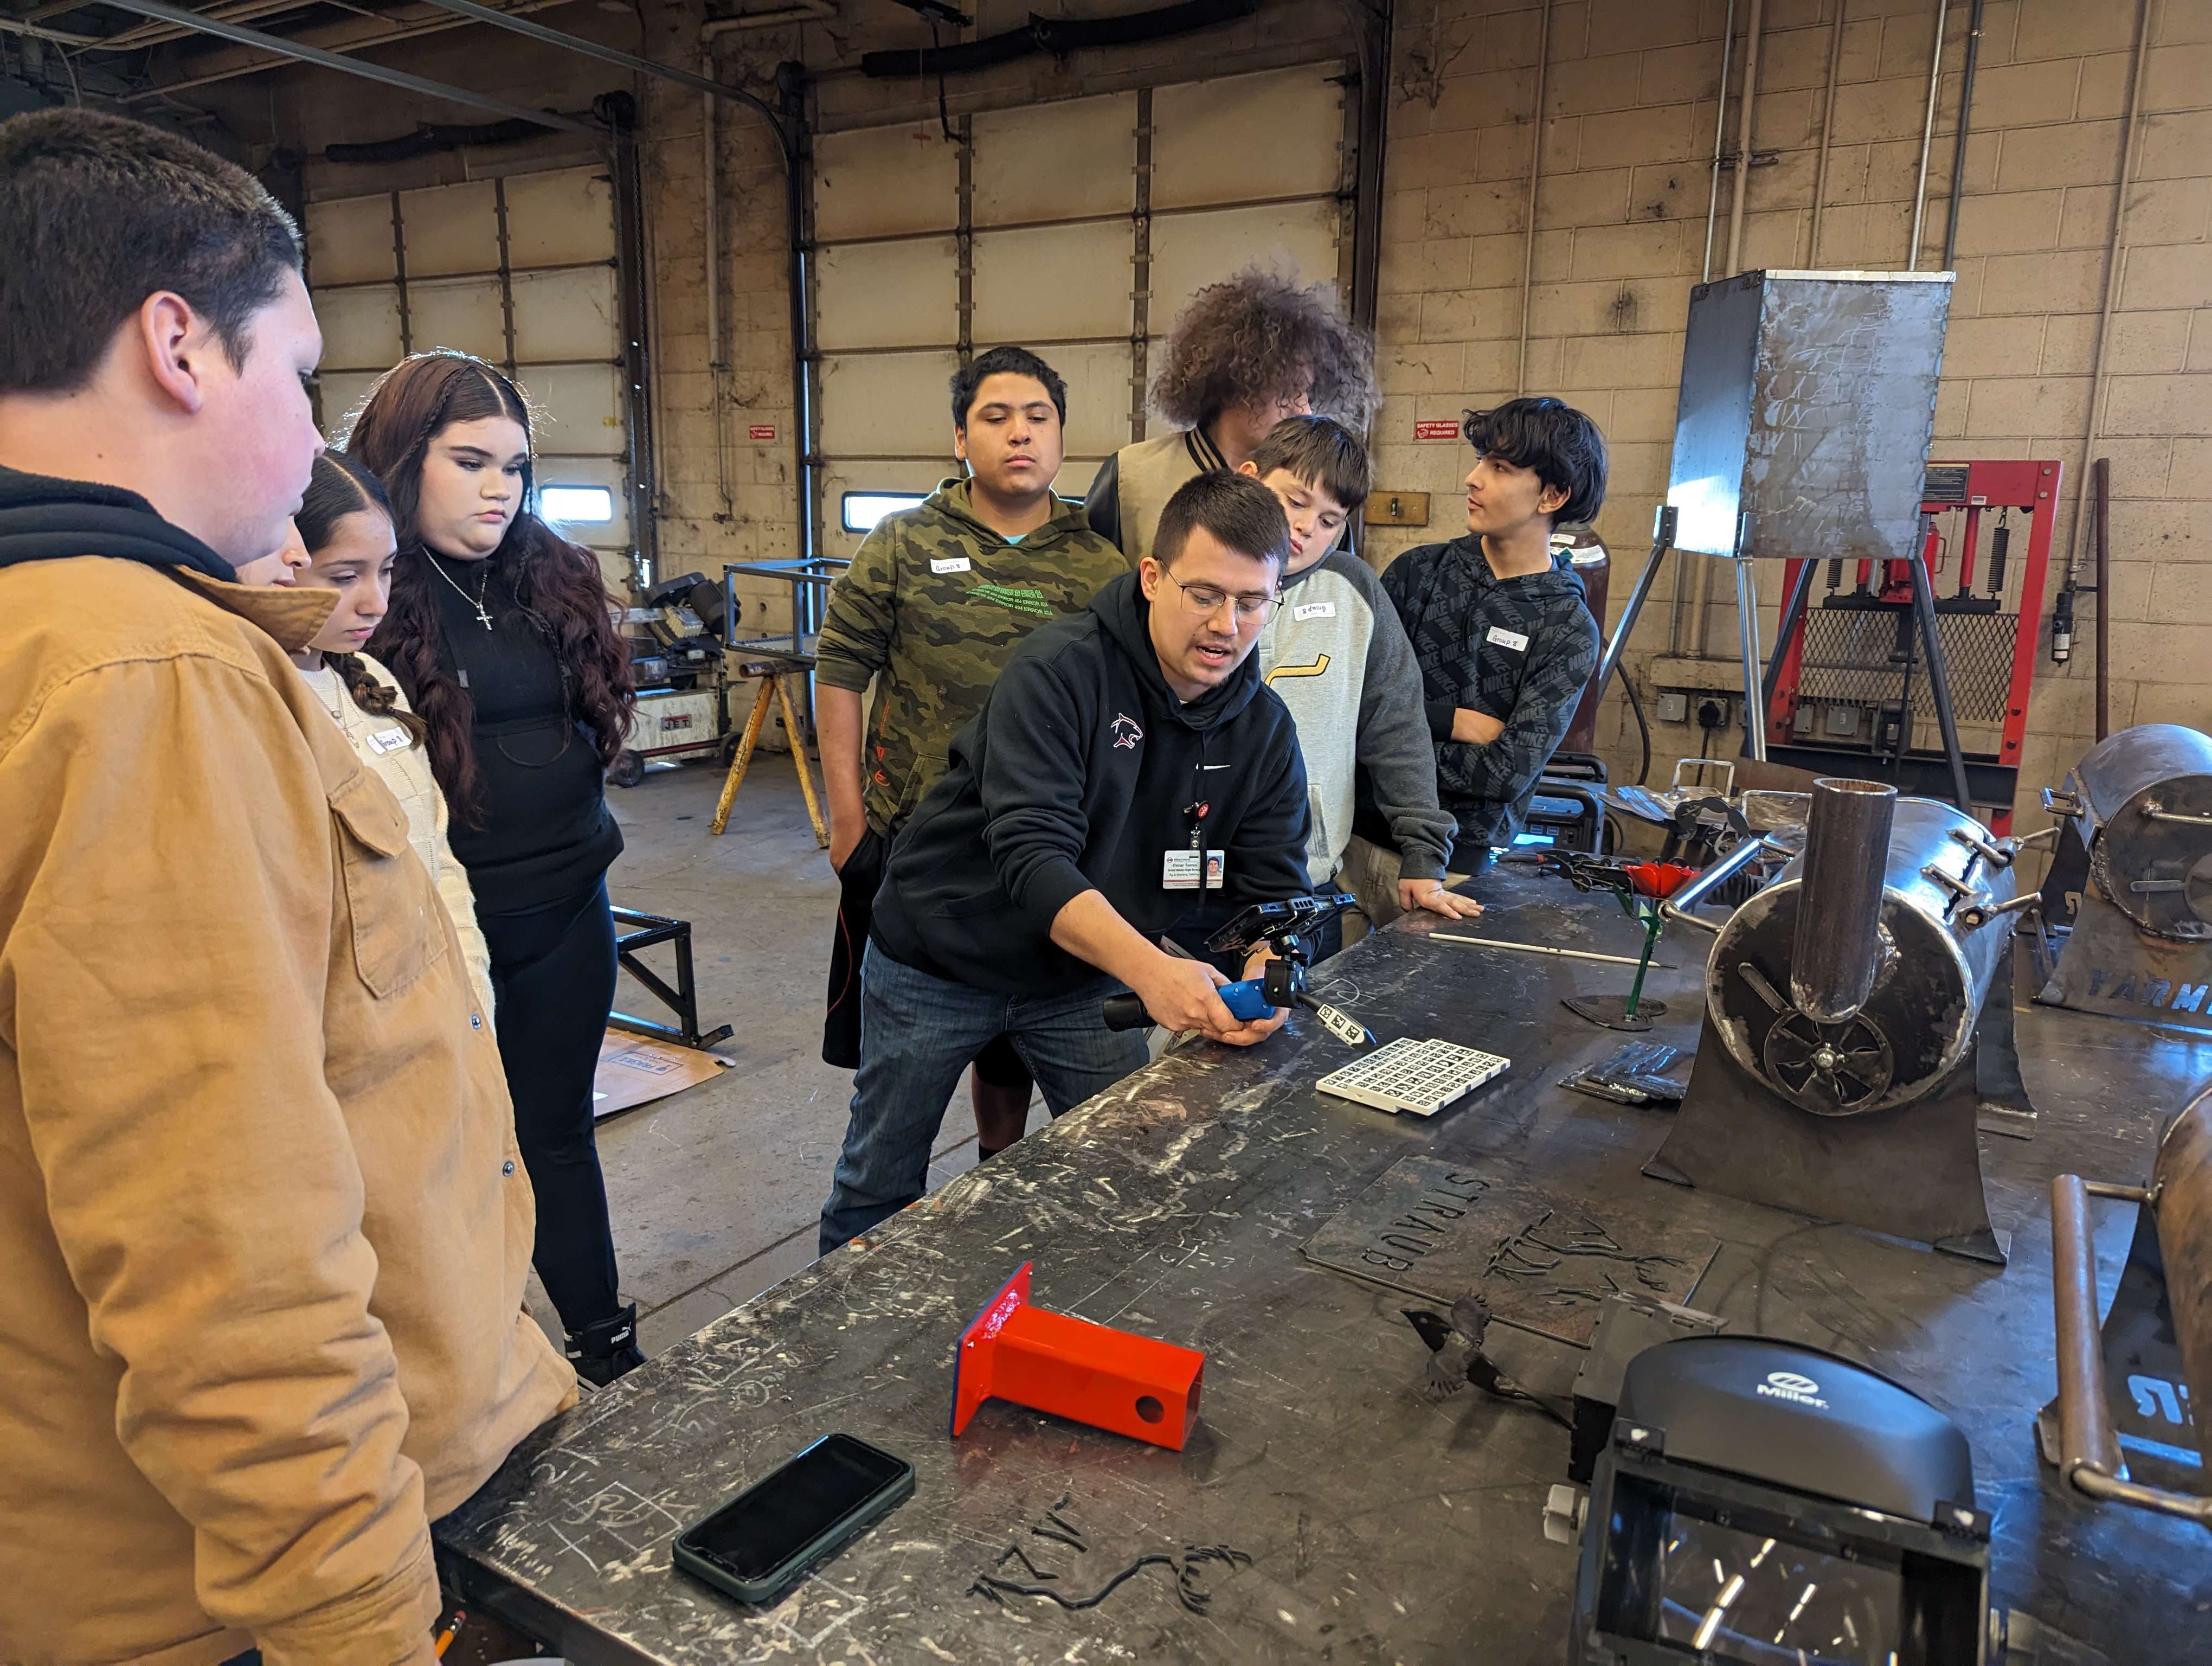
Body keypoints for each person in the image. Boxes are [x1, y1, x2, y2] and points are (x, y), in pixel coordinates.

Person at [0, 108, 571, 1664]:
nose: (315, 425)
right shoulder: (145, 673)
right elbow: (225, 1260)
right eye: (301, 372)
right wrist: (365, 1627)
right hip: (208, 1596)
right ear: (179, 345)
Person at [820, 472, 1313, 1254]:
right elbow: (1033, 857)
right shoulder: (1059, 672)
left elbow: (1278, 889)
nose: (1228, 624)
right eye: (1205, 594)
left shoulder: (1264, 732)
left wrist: (1271, 970)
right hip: (942, 956)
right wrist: (1154, 973)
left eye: (1254, 601)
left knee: (1134, 1173)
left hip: (1085, 981)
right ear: (1152, 579)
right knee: (879, 1181)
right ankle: (828, 1363)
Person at [348, 350, 645, 1386]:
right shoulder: (365, 593)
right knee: (443, 1156)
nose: (497, 491)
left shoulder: (551, 572)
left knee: (555, 1132)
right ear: (401, 459)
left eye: (514, 468)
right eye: (469, 461)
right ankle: (475, 1367)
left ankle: (608, 1345)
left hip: (568, 909)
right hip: (436, 935)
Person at [816, 346, 1127, 1161]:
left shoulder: (1102, 565)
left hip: (1053, 853)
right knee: (896, 1096)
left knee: (1029, 1049)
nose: (1018, 435)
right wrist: (846, 823)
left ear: (1062, 439)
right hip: (915, 854)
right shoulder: (903, 542)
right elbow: (842, 670)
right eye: (995, 418)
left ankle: (1001, 1164)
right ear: (961, 438)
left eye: (1038, 418)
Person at [1344, 398, 1606, 930]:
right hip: (1345, 846)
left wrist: (1388, 743)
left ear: (1553, 495)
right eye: (1482, 459)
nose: (1473, 478)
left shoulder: (1567, 626)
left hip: (1454, 875)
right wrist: (1453, 723)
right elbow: (1348, 706)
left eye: (1500, 468)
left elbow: (1506, 772)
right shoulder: (1417, 573)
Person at [1237, 416, 1484, 952]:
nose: (1306, 528)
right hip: (1189, 884)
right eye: (1295, 501)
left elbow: (1396, 727)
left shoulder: (1355, 590)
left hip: (1306, 881)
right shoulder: (1196, 580)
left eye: (1330, 519)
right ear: (1249, 478)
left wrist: (1423, 854)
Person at [284, 451, 497, 1020]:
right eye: (345, 576)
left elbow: (437, 857)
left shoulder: (371, 679)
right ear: (284, 561)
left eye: (386, 570)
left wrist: (473, 993)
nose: (375, 601)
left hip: (434, 997)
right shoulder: (259, 703)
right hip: (352, 1019)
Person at [1084, 267, 1379, 567]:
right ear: (1236, 383)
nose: (1303, 410)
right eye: (1288, 391)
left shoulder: (1322, 496)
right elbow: (1090, 587)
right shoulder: (1130, 476)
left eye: (1307, 393)